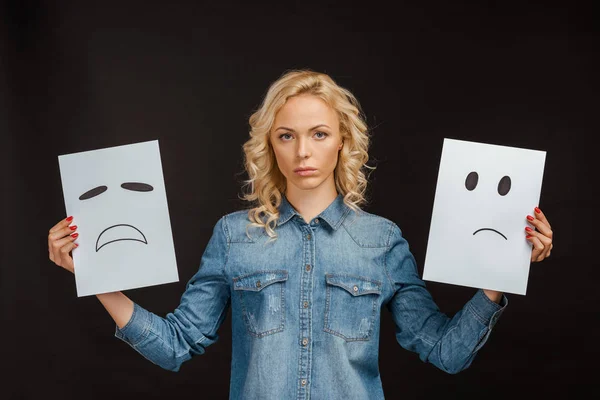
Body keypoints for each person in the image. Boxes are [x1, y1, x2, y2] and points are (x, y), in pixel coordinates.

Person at [48, 69, 554, 399]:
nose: (303, 152)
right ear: (270, 145)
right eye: (286, 136)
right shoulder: (234, 237)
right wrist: (96, 275)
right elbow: (176, 344)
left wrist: (500, 273)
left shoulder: (381, 242)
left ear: (342, 143)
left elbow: (445, 353)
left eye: (319, 134)